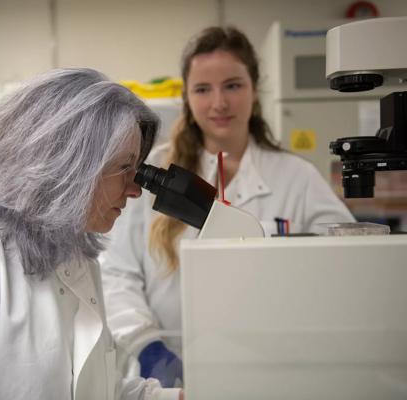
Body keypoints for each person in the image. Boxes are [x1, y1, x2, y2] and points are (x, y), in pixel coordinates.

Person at [101, 26, 355, 387]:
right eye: (203, 89)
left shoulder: (297, 178)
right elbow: (117, 274)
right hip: (167, 376)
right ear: (187, 98)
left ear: (255, 90)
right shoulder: (151, 175)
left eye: (233, 85)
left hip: (274, 371)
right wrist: (147, 347)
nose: (218, 103)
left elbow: (342, 269)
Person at [0, 68, 183, 400]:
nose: (136, 190)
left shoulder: (74, 255)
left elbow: (101, 390)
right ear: (69, 165)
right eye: (124, 167)